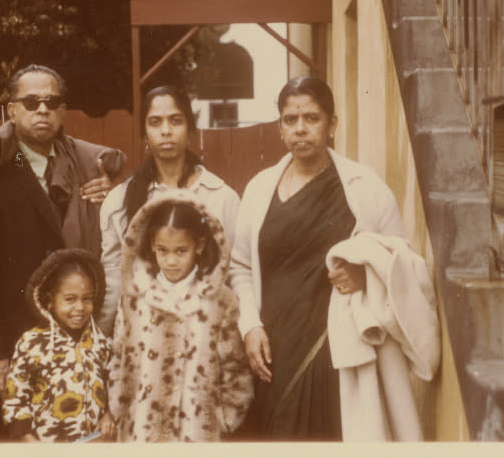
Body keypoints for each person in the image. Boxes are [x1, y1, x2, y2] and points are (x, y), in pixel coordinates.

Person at [228, 76, 439, 441]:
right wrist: (250, 326)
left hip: (335, 348)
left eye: (312, 118)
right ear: (280, 127)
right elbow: (241, 266)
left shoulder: (366, 188)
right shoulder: (260, 188)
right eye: (290, 120)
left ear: (331, 124)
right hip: (273, 347)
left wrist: (366, 275)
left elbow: (402, 262)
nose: (301, 129)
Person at [0, 64, 126, 439]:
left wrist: (109, 199)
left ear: (63, 111)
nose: (42, 110)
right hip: (15, 349)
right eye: (30, 102)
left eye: (52, 102)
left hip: (78, 344)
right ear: (10, 111)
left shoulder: (83, 169)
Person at [108, 191, 253, 441]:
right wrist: (118, 406)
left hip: (196, 432)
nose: (171, 261)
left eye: (181, 251)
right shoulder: (134, 298)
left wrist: (226, 416)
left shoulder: (220, 300)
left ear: (199, 246)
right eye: (163, 251)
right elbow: (119, 358)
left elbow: (234, 365)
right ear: (152, 245)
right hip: (141, 431)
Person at [99, 85, 239, 336]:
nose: (166, 131)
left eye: (176, 121)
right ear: (143, 132)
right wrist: (103, 338)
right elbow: (114, 281)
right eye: (155, 122)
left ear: (190, 129)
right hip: (142, 341)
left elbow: (234, 274)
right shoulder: (119, 202)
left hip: (204, 338)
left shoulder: (220, 197)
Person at [2, 248, 116, 442]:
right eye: (70, 299)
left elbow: (114, 387)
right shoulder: (31, 343)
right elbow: (15, 399)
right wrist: (27, 439)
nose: (79, 307)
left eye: (86, 298)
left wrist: (108, 414)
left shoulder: (101, 343)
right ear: (49, 300)